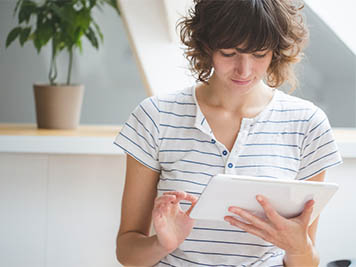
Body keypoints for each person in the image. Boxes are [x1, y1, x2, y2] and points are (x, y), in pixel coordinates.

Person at [114, 0, 343, 266]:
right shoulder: (156, 116)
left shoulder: (307, 125)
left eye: (259, 54)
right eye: (229, 52)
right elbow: (127, 252)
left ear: (275, 51)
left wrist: (299, 248)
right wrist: (161, 243)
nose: (244, 70)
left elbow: (307, 259)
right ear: (207, 46)